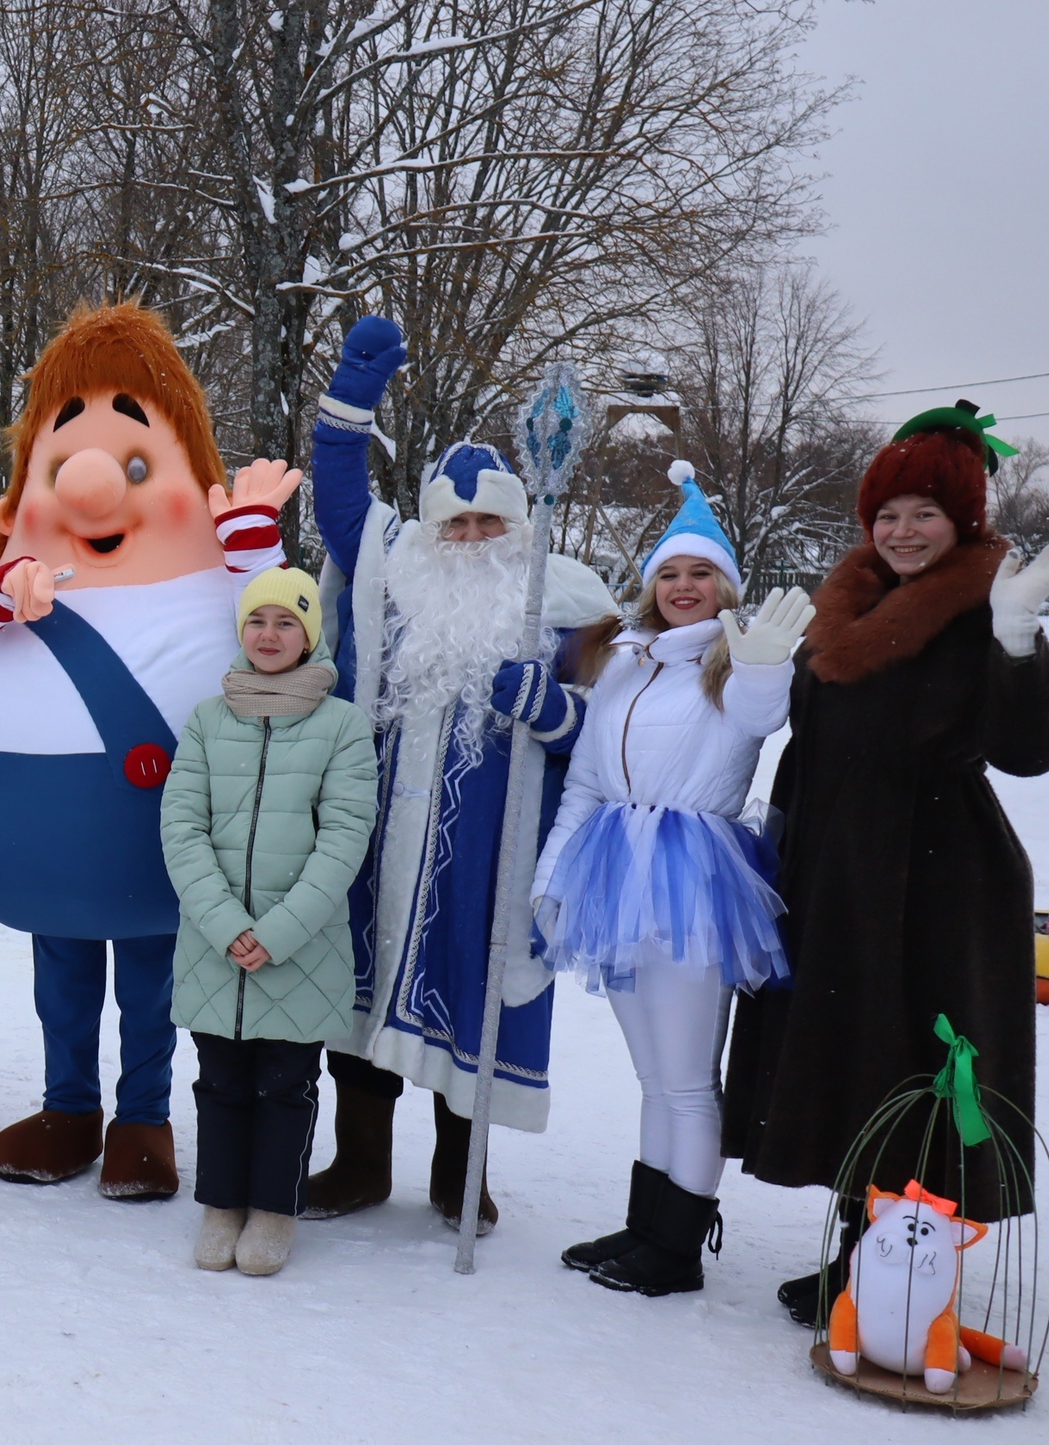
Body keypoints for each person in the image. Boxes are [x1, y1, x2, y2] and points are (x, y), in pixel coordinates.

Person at [0, 301, 295, 1201]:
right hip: (46, 851)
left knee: (154, 981)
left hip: (170, 838)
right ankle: (67, 1107)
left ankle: (143, 1118)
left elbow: (279, 632)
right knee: (62, 977)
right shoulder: (10, 586)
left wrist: (250, 545)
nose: (94, 487)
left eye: (137, 461)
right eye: (62, 463)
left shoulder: (217, 584)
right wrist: (0, 592)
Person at [722, 403, 1049, 1324]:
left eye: (924, 513)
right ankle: (861, 1249)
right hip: (836, 871)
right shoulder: (845, 606)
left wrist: (1016, 638)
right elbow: (810, 737)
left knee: (917, 1066)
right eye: (887, 514)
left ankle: (903, 1267)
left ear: (962, 521)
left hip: (937, 880)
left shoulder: (979, 612)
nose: (903, 531)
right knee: (855, 1059)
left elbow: (1033, 749)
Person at [303, 315, 620, 1230]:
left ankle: (459, 1172)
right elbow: (337, 497)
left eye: (490, 520)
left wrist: (552, 710)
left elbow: (608, 740)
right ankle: (360, 1161)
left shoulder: (563, 606)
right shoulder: (393, 570)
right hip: (376, 840)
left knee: (470, 994)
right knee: (359, 990)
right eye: (458, 521)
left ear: (520, 526)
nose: (473, 535)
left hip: (490, 852)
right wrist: (350, 405)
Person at [531, 467, 814, 1296]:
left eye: (700, 573)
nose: (684, 587)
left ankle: (678, 1245)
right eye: (670, 573)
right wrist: (553, 879)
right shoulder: (622, 662)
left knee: (689, 1076)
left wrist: (764, 666)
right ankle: (647, 1222)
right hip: (613, 869)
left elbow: (763, 718)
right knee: (654, 1074)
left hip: (695, 877)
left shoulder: (736, 662)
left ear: (723, 583)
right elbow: (584, 780)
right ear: (651, 583)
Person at [160, 568, 377, 1276]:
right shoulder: (207, 718)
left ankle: (275, 1209)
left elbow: (345, 836)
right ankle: (222, 1202)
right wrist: (226, 924)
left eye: (288, 622)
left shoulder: (341, 725)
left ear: (309, 635)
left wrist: (277, 931)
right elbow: (182, 828)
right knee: (219, 1079)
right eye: (259, 620)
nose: (270, 634)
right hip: (214, 944)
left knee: (285, 1084)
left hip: (301, 946)